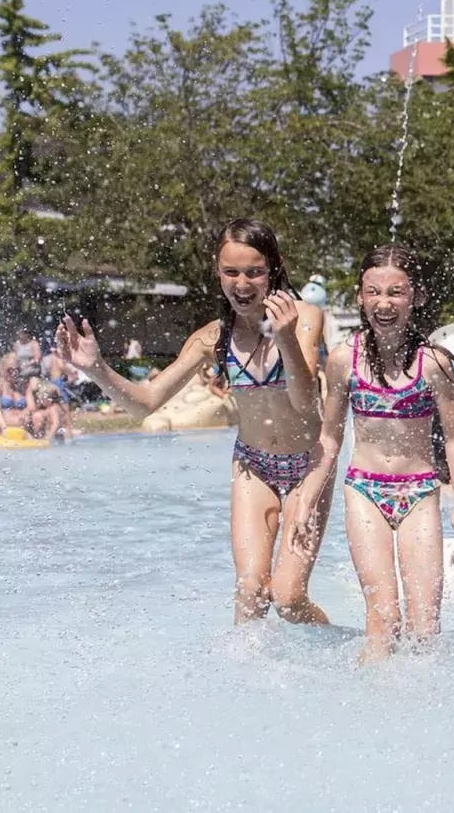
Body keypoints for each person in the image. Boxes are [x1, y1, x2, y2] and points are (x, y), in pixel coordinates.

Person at [55, 219, 330, 624]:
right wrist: (97, 369)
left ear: (274, 268)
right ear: (217, 272)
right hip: (254, 466)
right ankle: (243, 663)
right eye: (231, 272)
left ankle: (332, 646)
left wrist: (285, 338)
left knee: (288, 599)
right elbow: (146, 403)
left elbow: (306, 404)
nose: (242, 283)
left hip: (308, 465)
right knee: (251, 590)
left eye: (254, 272)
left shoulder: (305, 318)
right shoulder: (211, 338)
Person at [287, 245, 454, 664]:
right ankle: (366, 700)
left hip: (420, 492)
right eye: (373, 292)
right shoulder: (343, 360)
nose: (383, 303)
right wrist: (305, 501)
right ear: (359, 296)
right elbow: (329, 439)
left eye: (395, 293)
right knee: (383, 620)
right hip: (365, 492)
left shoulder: (433, 364)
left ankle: (422, 700)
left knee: (425, 628)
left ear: (416, 297)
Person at [0, 355, 37, 436]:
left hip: (23, 426)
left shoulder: (24, 385)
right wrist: (4, 428)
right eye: (10, 370)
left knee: (37, 416)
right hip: (3, 426)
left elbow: (32, 407)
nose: (14, 373)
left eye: (17, 369)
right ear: (2, 369)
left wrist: (23, 414)